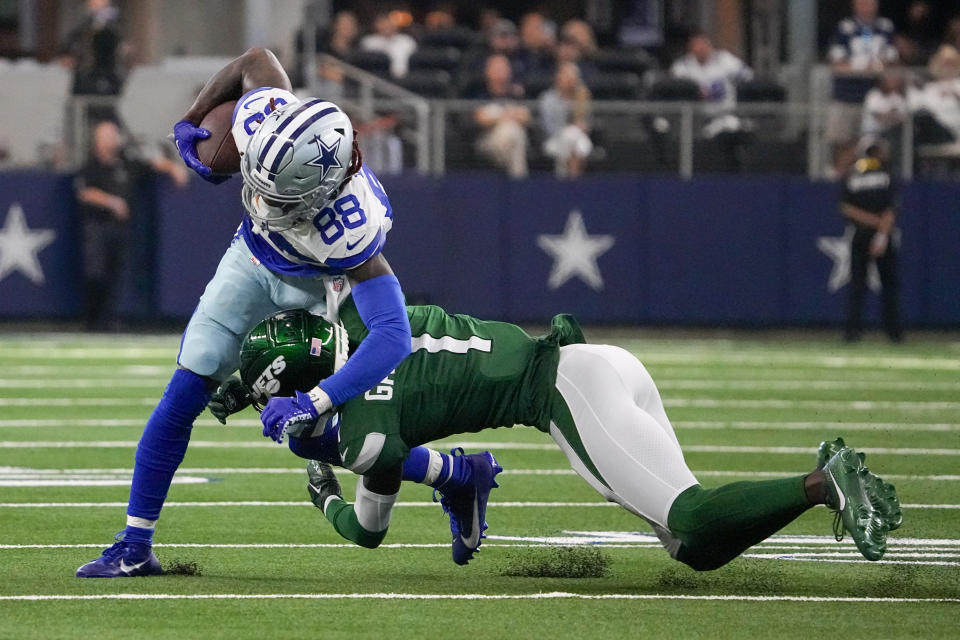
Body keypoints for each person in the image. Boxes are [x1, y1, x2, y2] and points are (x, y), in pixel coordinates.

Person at [224, 302, 901, 571]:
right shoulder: (364, 309)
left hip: (571, 392)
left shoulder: (365, 424)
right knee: (693, 548)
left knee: (689, 517)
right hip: (596, 367)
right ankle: (815, 483)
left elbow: (372, 518)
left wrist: (322, 489)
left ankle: (825, 482)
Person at [75, 47, 415, 578]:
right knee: (184, 390)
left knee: (322, 432)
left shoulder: (350, 228)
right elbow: (255, 59)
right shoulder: (267, 120)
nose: (257, 195)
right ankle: (135, 544)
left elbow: (394, 335)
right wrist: (191, 120)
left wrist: (316, 396)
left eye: (275, 196)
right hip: (250, 259)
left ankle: (451, 473)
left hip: (316, 289)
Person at [74, 119, 187, 330]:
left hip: (121, 228)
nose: (110, 140)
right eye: (105, 136)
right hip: (96, 226)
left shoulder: (126, 162)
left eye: (112, 135)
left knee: (116, 274)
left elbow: (151, 164)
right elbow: (84, 192)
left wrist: (173, 168)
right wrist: (111, 202)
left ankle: (108, 320)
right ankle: (90, 319)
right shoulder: (90, 165)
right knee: (95, 272)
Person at [840, 139, 903, 343]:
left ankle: (853, 333)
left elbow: (847, 208)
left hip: (862, 232)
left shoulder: (852, 175)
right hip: (881, 233)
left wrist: (874, 225)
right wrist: (882, 233)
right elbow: (890, 210)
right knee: (887, 286)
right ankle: (893, 334)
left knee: (858, 285)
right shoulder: (885, 175)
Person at [670, 32, 754, 171]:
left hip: (727, 114)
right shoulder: (683, 65)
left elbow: (748, 77)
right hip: (696, 120)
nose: (700, 49)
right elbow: (676, 84)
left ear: (709, 45)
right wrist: (696, 90)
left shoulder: (724, 59)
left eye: (703, 45)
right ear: (691, 48)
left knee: (735, 131)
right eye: (696, 46)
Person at [473, 54, 530, 179]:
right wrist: (505, 115)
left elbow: (526, 116)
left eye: (503, 68)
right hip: (486, 140)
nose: (500, 73)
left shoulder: (517, 94)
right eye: (496, 69)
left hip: (514, 139)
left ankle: (514, 179)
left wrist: (502, 117)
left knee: (513, 132)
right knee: (511, 131)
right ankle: (518, 182)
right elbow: (479, 118)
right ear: (487, 71)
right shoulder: (479, 92)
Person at [539, 61, 593, 178]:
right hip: (553, 140)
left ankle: (566, 180)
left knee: (576, 141)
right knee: (570, 136)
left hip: (578, 139)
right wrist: (570, 129)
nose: (570, 80)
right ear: (558, 77)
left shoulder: (582, 97)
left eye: (573, 76)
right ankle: (572, 179)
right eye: (566, 75)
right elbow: (549, 128)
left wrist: (583, 127)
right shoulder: (548, 99)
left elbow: (589, 123)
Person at [360, 11, 418, 79]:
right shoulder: (368, 42)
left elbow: (416, 61)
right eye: (383, 23)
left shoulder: (407, 40)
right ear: (376, 25)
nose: (386, 26)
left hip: (405, 78)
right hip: (378, 78)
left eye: (389, 22)